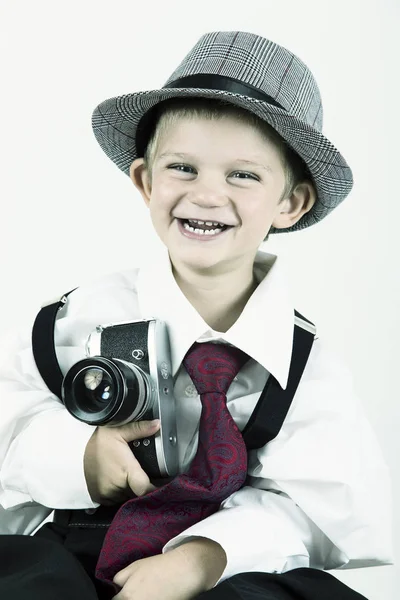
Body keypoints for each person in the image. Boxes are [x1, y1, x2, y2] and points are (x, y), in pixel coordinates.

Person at [0, 30, 392, 600]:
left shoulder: (308, 366)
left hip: (226, 557)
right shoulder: (75, 320)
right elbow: (12, 422)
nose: (207, 195)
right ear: (145, 180)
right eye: (183, 168)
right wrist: (80, 458)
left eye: (243, 175)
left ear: (291, 203)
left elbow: (320, 503)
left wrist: (201, 559)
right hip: (80, 539)